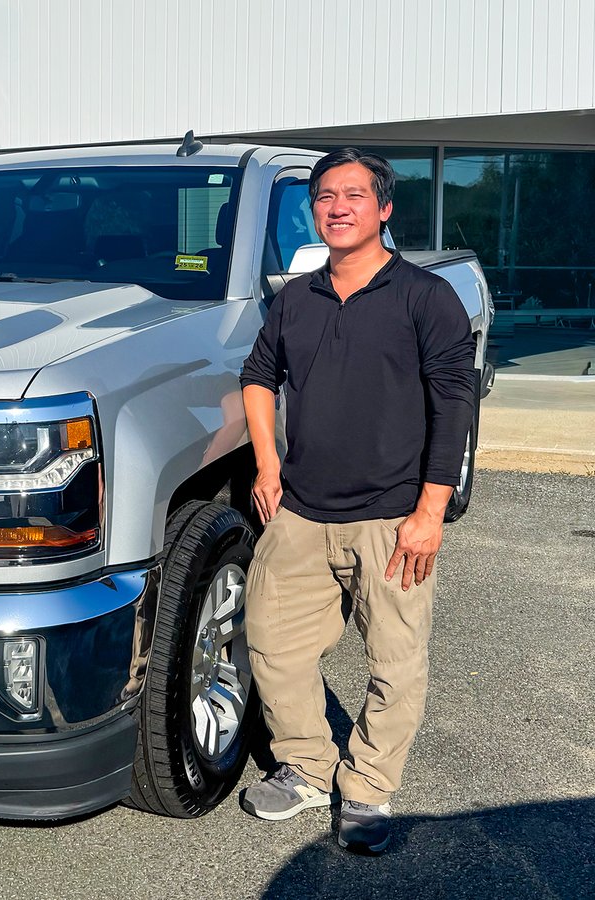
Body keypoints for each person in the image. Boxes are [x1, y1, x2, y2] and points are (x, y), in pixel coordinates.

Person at [237, 148, 476, 854]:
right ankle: (308, 766)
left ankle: (368, 788)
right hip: (302, 513)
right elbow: (258, 377)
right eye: (325, 197)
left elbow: (453, 404)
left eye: (354, 195)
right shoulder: (297, 299)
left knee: (395, 661)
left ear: (384, 209)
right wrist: (267, 463)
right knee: (273, 646)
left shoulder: (424, 298)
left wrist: (431, 512)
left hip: (393, 517)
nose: (337, 207)